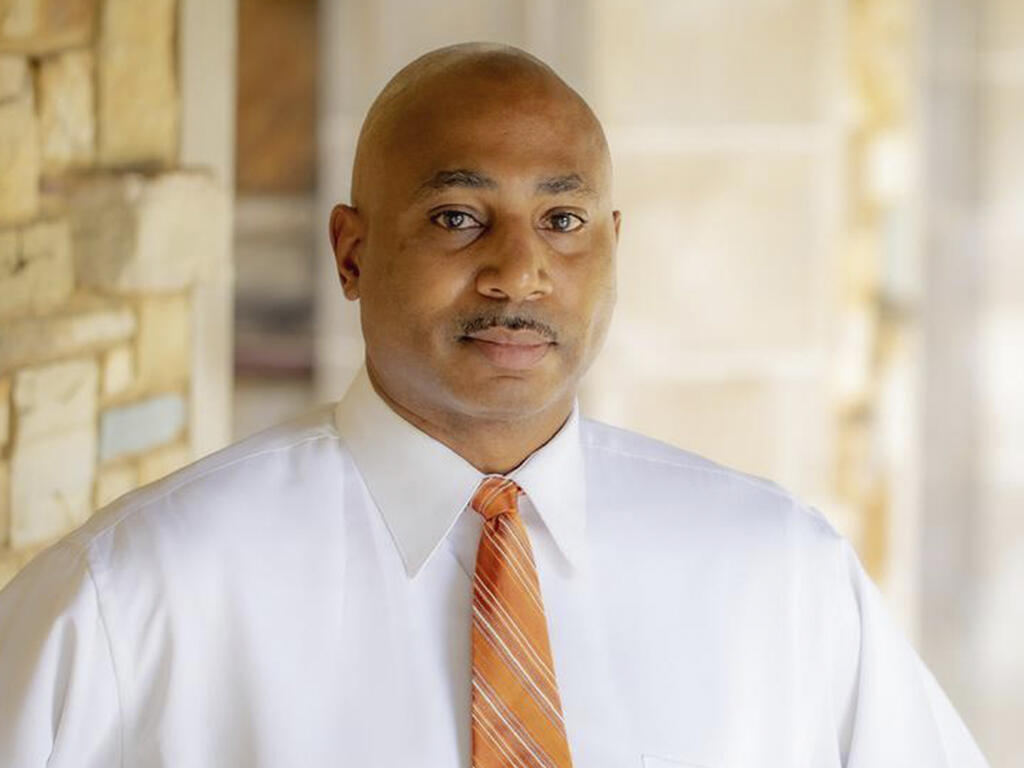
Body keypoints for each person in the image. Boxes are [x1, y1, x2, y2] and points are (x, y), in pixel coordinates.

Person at [0, 43, 989, 768]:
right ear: (351, 252)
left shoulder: (781, 575)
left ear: (611, 245)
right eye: (457, 218)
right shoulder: (135, 595)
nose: (518, 271)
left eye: (562, 221)